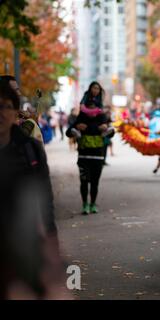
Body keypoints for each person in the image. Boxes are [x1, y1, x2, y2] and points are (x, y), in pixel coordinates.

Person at [0, 81, 65, 299]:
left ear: (15, 110)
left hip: (23, 244)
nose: (1, 113)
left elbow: (44, 195)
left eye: (6, 106)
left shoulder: (30, 148)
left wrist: (50, 235)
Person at [66, 101, 114, 215]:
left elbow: (112, 133)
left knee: (94, 182)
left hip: (98, 157)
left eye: (94, 106)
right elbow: (68, 132)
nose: (92, 109)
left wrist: (106, 128)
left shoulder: (102, 118)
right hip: (83, 157)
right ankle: (85, 204)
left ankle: (92, 204)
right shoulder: (81, 119)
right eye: (89, 107)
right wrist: (76, 127)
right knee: (84, 182)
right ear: (85, 108)